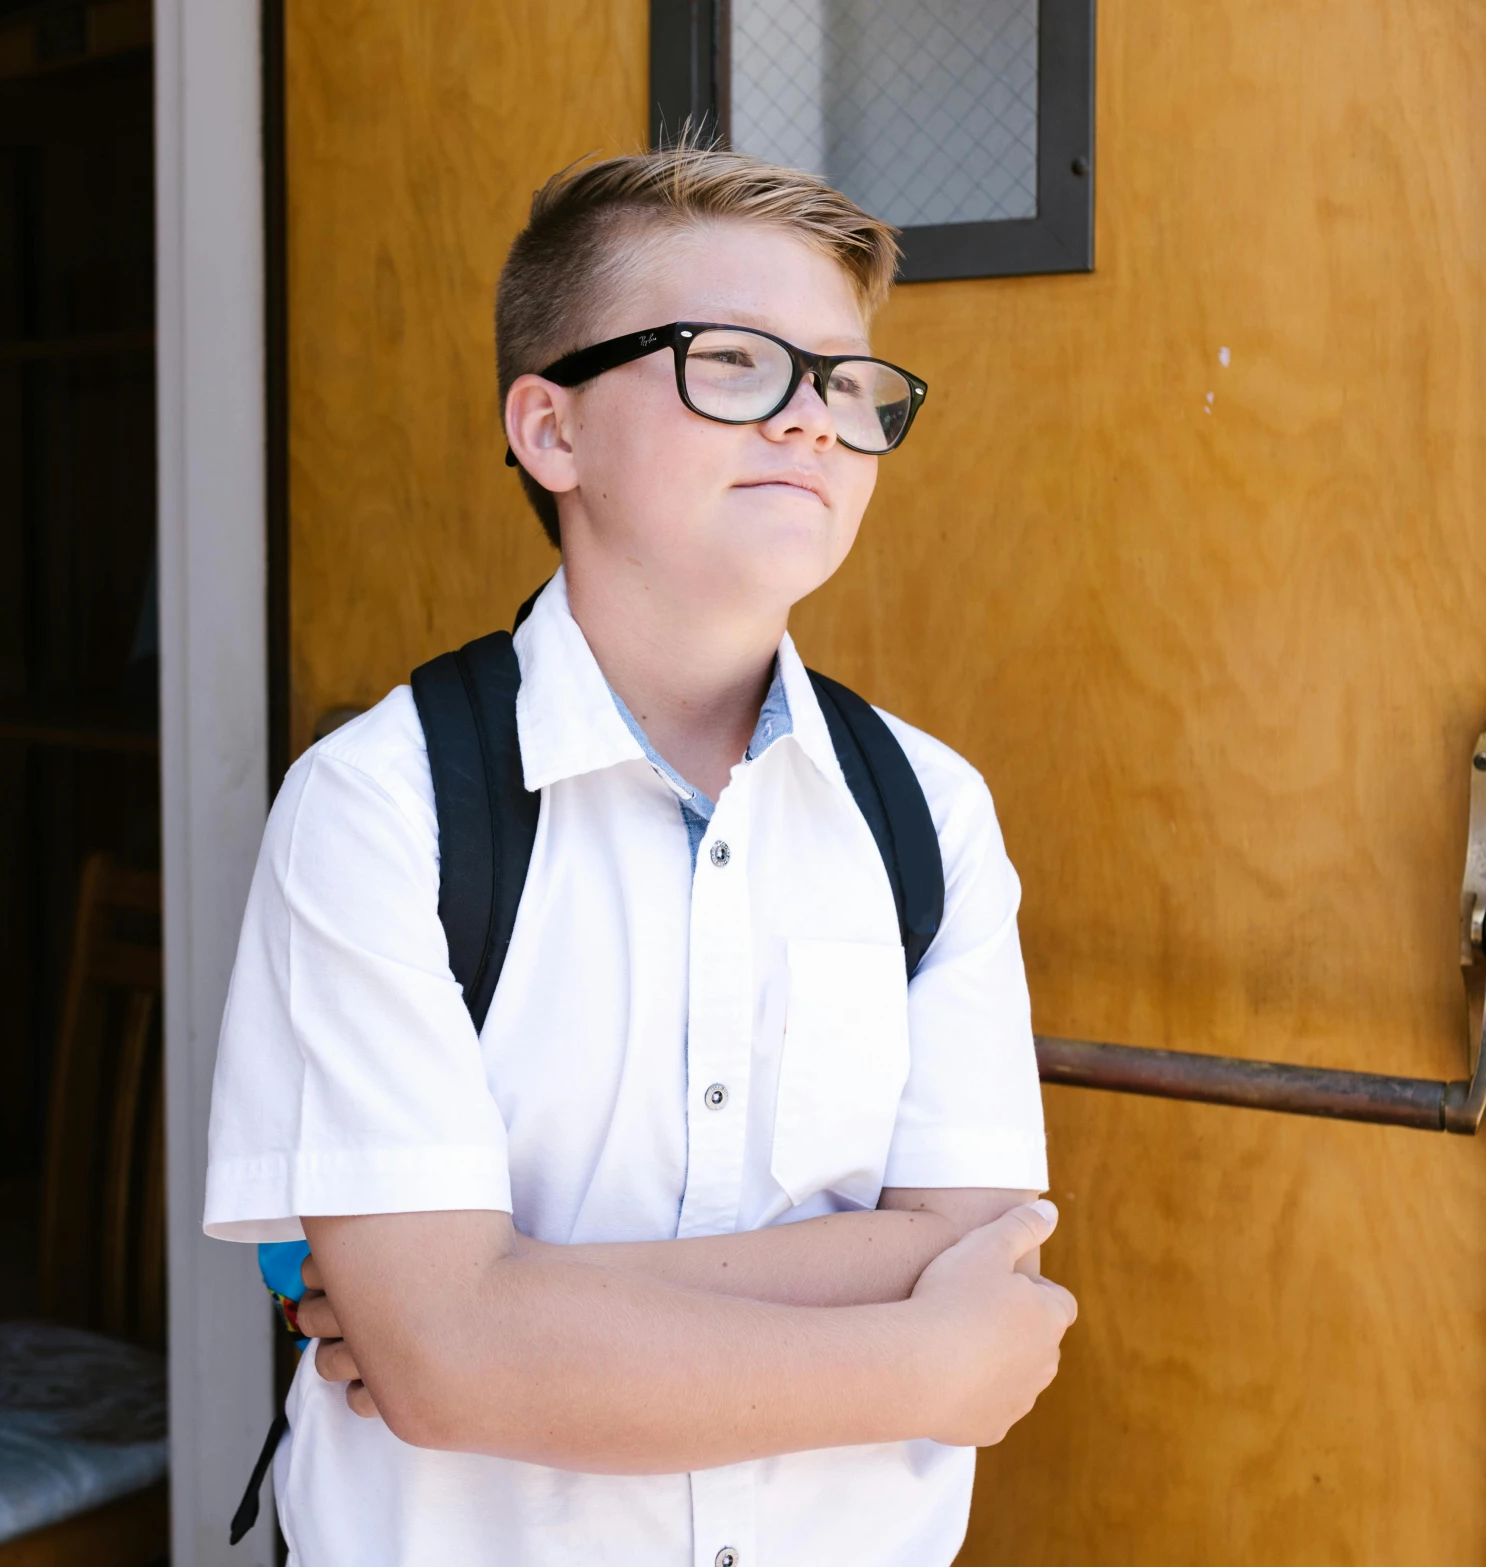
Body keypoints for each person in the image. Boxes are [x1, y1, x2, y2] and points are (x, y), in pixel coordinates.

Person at [203, 144, 1076, 1567]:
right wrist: (923, 1361)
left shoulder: (929, 807)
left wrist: (502, 1307)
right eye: (734, 364)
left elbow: (978, 1248)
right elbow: (438, 1362)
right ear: (551, 431)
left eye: (848, 387)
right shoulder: (379, 806)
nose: (813, 424)